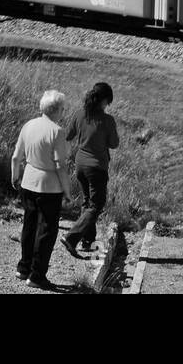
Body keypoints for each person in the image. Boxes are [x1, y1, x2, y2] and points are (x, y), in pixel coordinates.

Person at [11, 90, 73, 290]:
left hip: (28, 180)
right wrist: (67, 191)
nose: (63, 112)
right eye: (63, 108)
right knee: (47, 231)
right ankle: (37, 275)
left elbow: (16, 157)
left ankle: (23, 266)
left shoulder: (28, 125)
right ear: (57, 110)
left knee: (29, 225)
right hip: (49, 186)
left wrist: (15, 176)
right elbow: (60, 166)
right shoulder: (57, 132)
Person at [62, 82, 120, 256]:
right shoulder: (107, 120)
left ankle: (87, 241)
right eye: (107, 102)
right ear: (102, 100)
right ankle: (72, 237)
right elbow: (114, 143)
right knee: (97, 205)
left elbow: (68, 135)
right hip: (97, 167)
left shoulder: (79, 114)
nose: (107, 105)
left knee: (87, 203)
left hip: (80, 164)